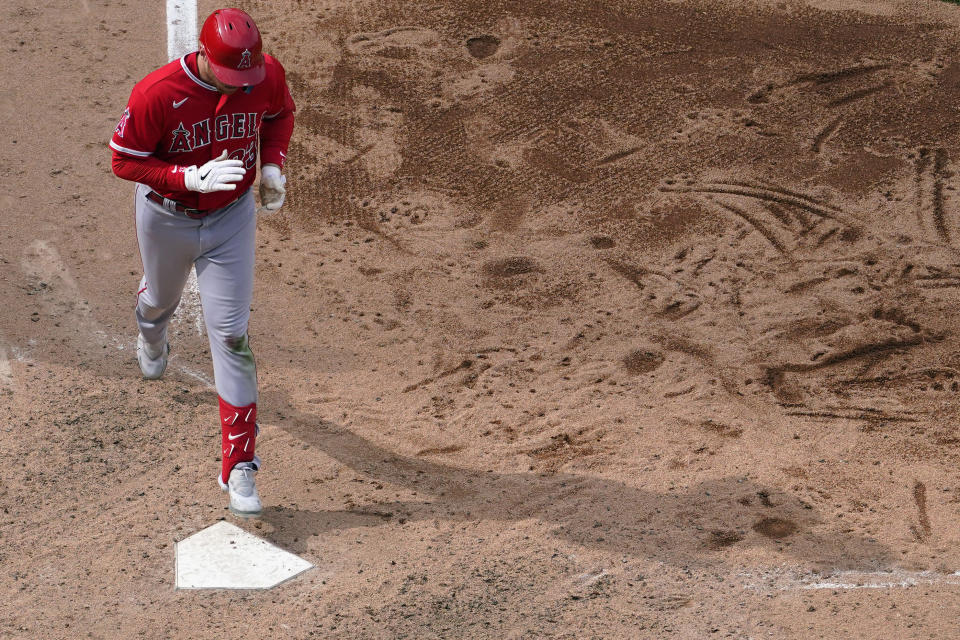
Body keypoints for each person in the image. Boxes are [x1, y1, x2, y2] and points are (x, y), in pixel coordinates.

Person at [109, 8, 295, 516]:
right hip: (166, 218)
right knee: (159, 303)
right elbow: (123, 159)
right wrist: (187, 179)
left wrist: (273, 163)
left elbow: (279, 116)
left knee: (231, 334)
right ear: (206, 57)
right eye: (232, 78)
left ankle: (240, 466)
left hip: (232, 219)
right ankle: (150, 332)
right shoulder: (157, 93)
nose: (241, 89)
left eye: (247, 79)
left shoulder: (265, 75)